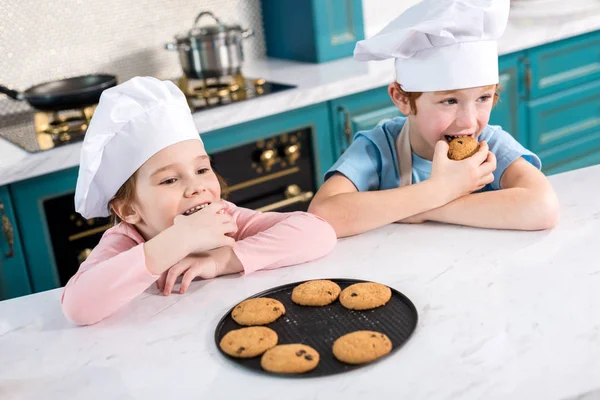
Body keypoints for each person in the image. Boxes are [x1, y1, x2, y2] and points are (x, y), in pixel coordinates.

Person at [62, 76, 337, 325]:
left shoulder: (225, 218)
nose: (195, 187)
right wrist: (180, 239)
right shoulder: (124, 242)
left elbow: (319, 233)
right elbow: (78, 307)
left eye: (202, 170)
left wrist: (223, 261)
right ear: (128, 209)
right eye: (170, 180)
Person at [308, 0, 559, 238]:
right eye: (449, 101)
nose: (468, 122)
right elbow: (323, 216)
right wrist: (437, 190)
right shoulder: (379, 147)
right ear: (402, 98)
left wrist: (426, 208)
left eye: (483, 98)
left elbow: (543, 207)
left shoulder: (491, 145)